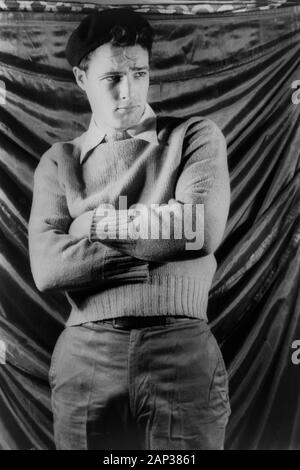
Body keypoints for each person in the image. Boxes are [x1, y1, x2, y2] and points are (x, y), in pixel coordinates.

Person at [28, 8, 231, 450]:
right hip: (85, 356)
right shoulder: (58, 162)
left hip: (181, 348)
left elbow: (198, 231)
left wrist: (93, 223)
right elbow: (48, 269)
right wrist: (158, 248)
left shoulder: (194, 137)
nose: (129, 91)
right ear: (82, 79)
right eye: (112, 78)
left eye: (139, 73)